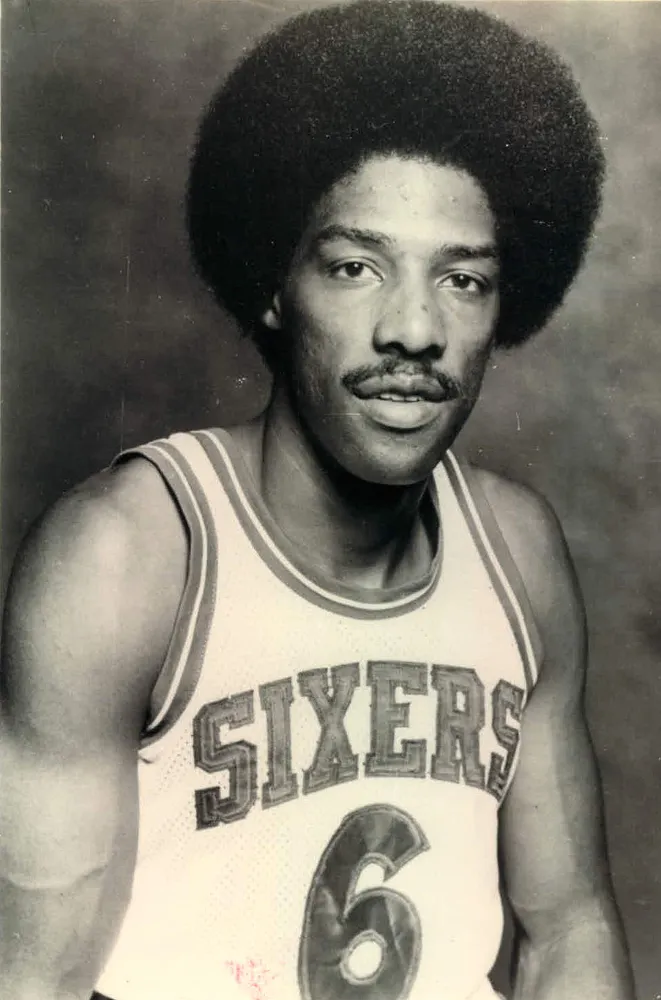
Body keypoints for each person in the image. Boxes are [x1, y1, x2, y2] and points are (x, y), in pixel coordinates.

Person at [0, 2, 635, 999]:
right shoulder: (128, 554)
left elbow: (569, 928)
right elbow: (30, 979)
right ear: (273, 284)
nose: (414, 329)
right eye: (354, 267)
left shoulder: (515, 550)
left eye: (462, 279)